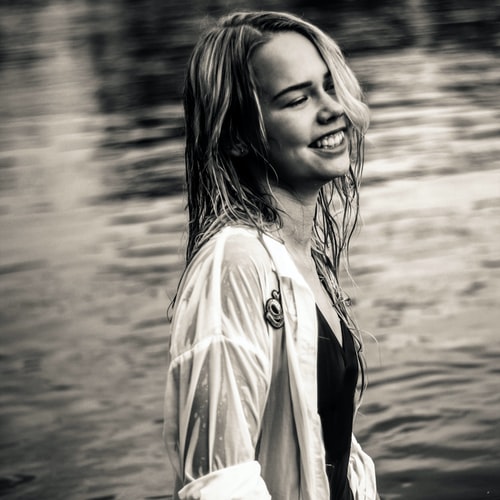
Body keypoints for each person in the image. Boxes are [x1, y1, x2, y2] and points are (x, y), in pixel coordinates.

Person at [163, 10, 379, 500]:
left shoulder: (298, 256)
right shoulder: (235, 264)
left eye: (329, 87)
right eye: (298, 99)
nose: (333, 109)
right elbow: (221, 483)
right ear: (239, 136)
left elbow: (325, 446)